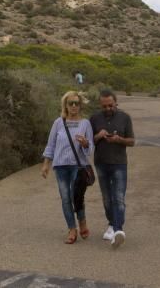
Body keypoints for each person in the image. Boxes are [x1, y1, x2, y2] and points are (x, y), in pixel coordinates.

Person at [42, 91, 94, 244]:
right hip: (61, 166)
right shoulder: (58, 122)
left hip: (78, 166)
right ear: (65, 105)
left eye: (76, 103)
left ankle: (82, 220)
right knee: (65, 198)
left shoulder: (85, 124)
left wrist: (85, 143)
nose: (73, 106)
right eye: (70, 103)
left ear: (80, 106)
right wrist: (46, 164)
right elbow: (51, 145)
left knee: (75, 196)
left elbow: (90, 149)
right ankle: (72, 229)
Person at [90, 89, 135, 249]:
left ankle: (118, 230)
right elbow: (89, 142)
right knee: (107, 199)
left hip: (119, 163)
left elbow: (132, 141)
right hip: (101, 163)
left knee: (119, 198)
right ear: (100, 105)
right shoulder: (94, 118)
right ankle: (111, 224)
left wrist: (119, 139)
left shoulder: (125, 117)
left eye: (111, 105)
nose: (108, 108)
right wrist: (98, 136)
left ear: (116, 102)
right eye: (105, 106)